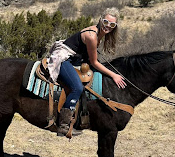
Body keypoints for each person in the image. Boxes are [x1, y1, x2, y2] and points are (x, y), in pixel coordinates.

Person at [47, 7, 126, 136]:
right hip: (64, 58)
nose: (108, 26)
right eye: (106, 22)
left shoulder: (99, 35)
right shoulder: (92, 36)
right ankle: (63, 124)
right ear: (101, 20)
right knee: (77, 87)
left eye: (112, 24)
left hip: (76, 59)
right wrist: (113, 75)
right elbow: (94, 62)